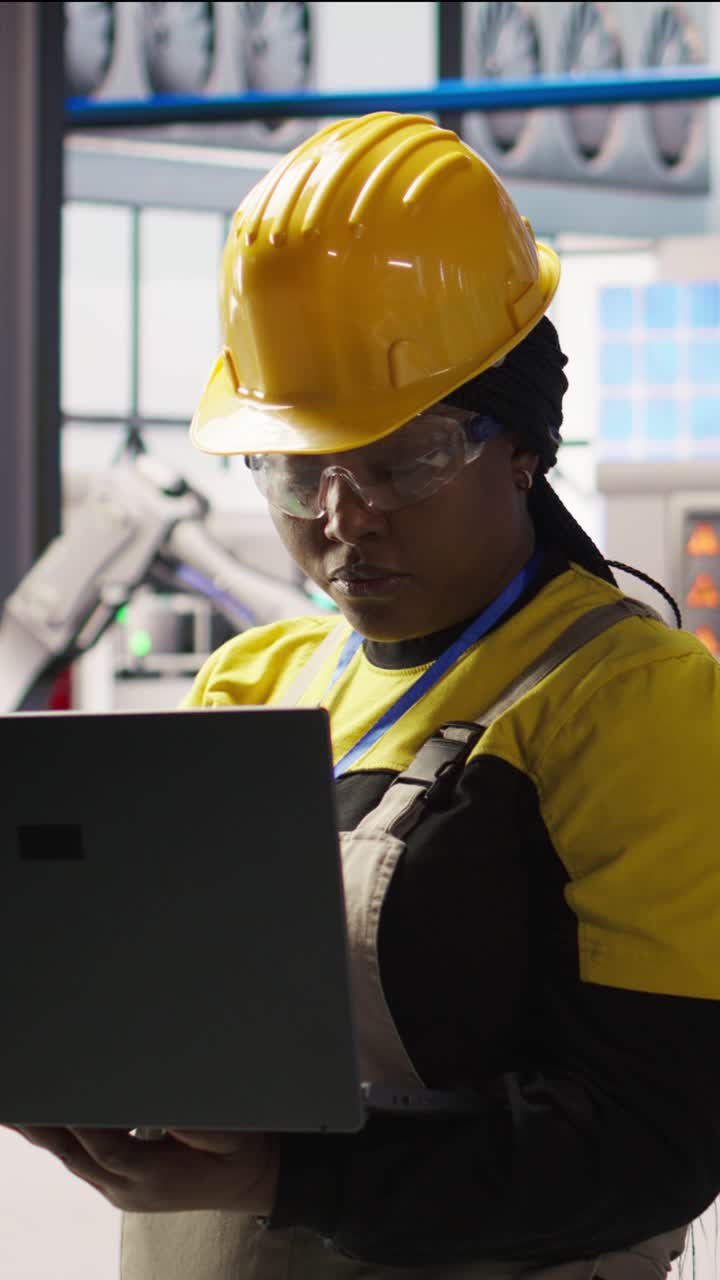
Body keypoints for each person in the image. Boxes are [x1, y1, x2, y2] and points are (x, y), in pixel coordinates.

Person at [10, 112, 720, 1280]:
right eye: (298, 470)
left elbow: (653, 1140)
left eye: (402, 460)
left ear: (522, 442)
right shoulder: (255, 685)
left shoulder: (630, 707)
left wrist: (285, 1172)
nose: (343, 518)